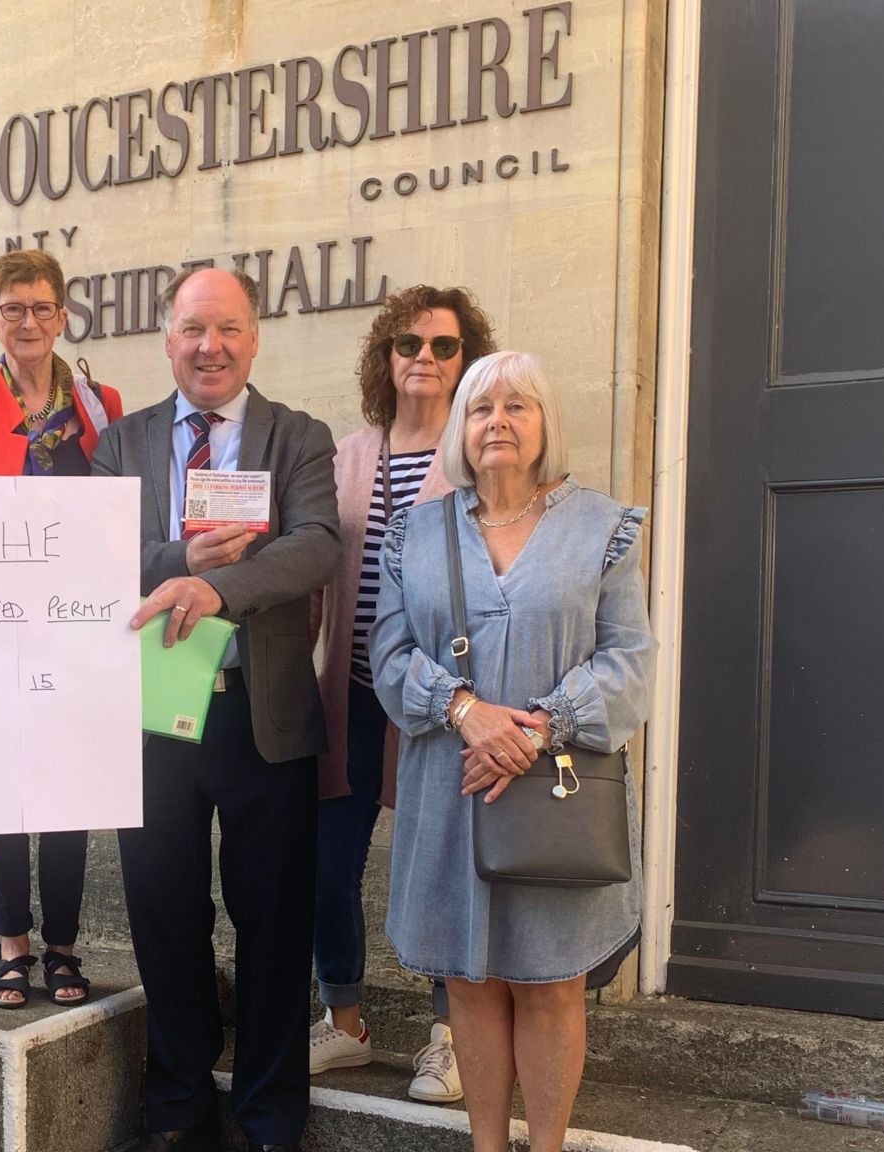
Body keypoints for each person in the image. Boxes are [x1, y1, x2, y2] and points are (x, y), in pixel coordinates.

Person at [369, 350, 654, 1152]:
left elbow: (630, 660)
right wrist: (463, 711)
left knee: (551, 984)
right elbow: (387, 657)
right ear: (462, 426)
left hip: (555, 793)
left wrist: (534, 727)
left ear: (545, 423)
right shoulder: (414, 533)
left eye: (517, 406)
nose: (498, 421)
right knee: (469, 982)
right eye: (483, 408)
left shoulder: (603, 528)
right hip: (450, 784)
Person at [98, 268, 340, 1152]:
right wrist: (178, 557)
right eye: (195, 329)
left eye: (229, 329)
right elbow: (98, 555)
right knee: (164, 914)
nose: (212, 347)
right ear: (168, 338)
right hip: (155, 710)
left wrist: (214, 585)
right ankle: (178, 1107)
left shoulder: (299, 437)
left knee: (274, 921)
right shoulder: (120, 444)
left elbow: (316, 546)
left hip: (261, 711)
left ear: (254, 338)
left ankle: (271, 1118)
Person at [310, 286, 498, 1102]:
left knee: (440, 868)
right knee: (327, 865)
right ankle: (344, 1020)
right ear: (384, 356)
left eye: (445, 346)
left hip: (440, 704)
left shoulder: (482, 457)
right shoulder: (346, 457)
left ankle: (449, 1034)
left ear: (468, 360)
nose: (425, 357)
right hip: (350, 694)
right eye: (409, 343)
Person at [0, 249, 125, 1008]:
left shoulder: (101, 403)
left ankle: (63, 947)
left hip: (76, 628)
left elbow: (119, 513)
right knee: (5, 789)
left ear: (63, 316)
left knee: (68, 792)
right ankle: (10, 944)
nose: (30, 322)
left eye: (43, 308)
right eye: (14, 308)